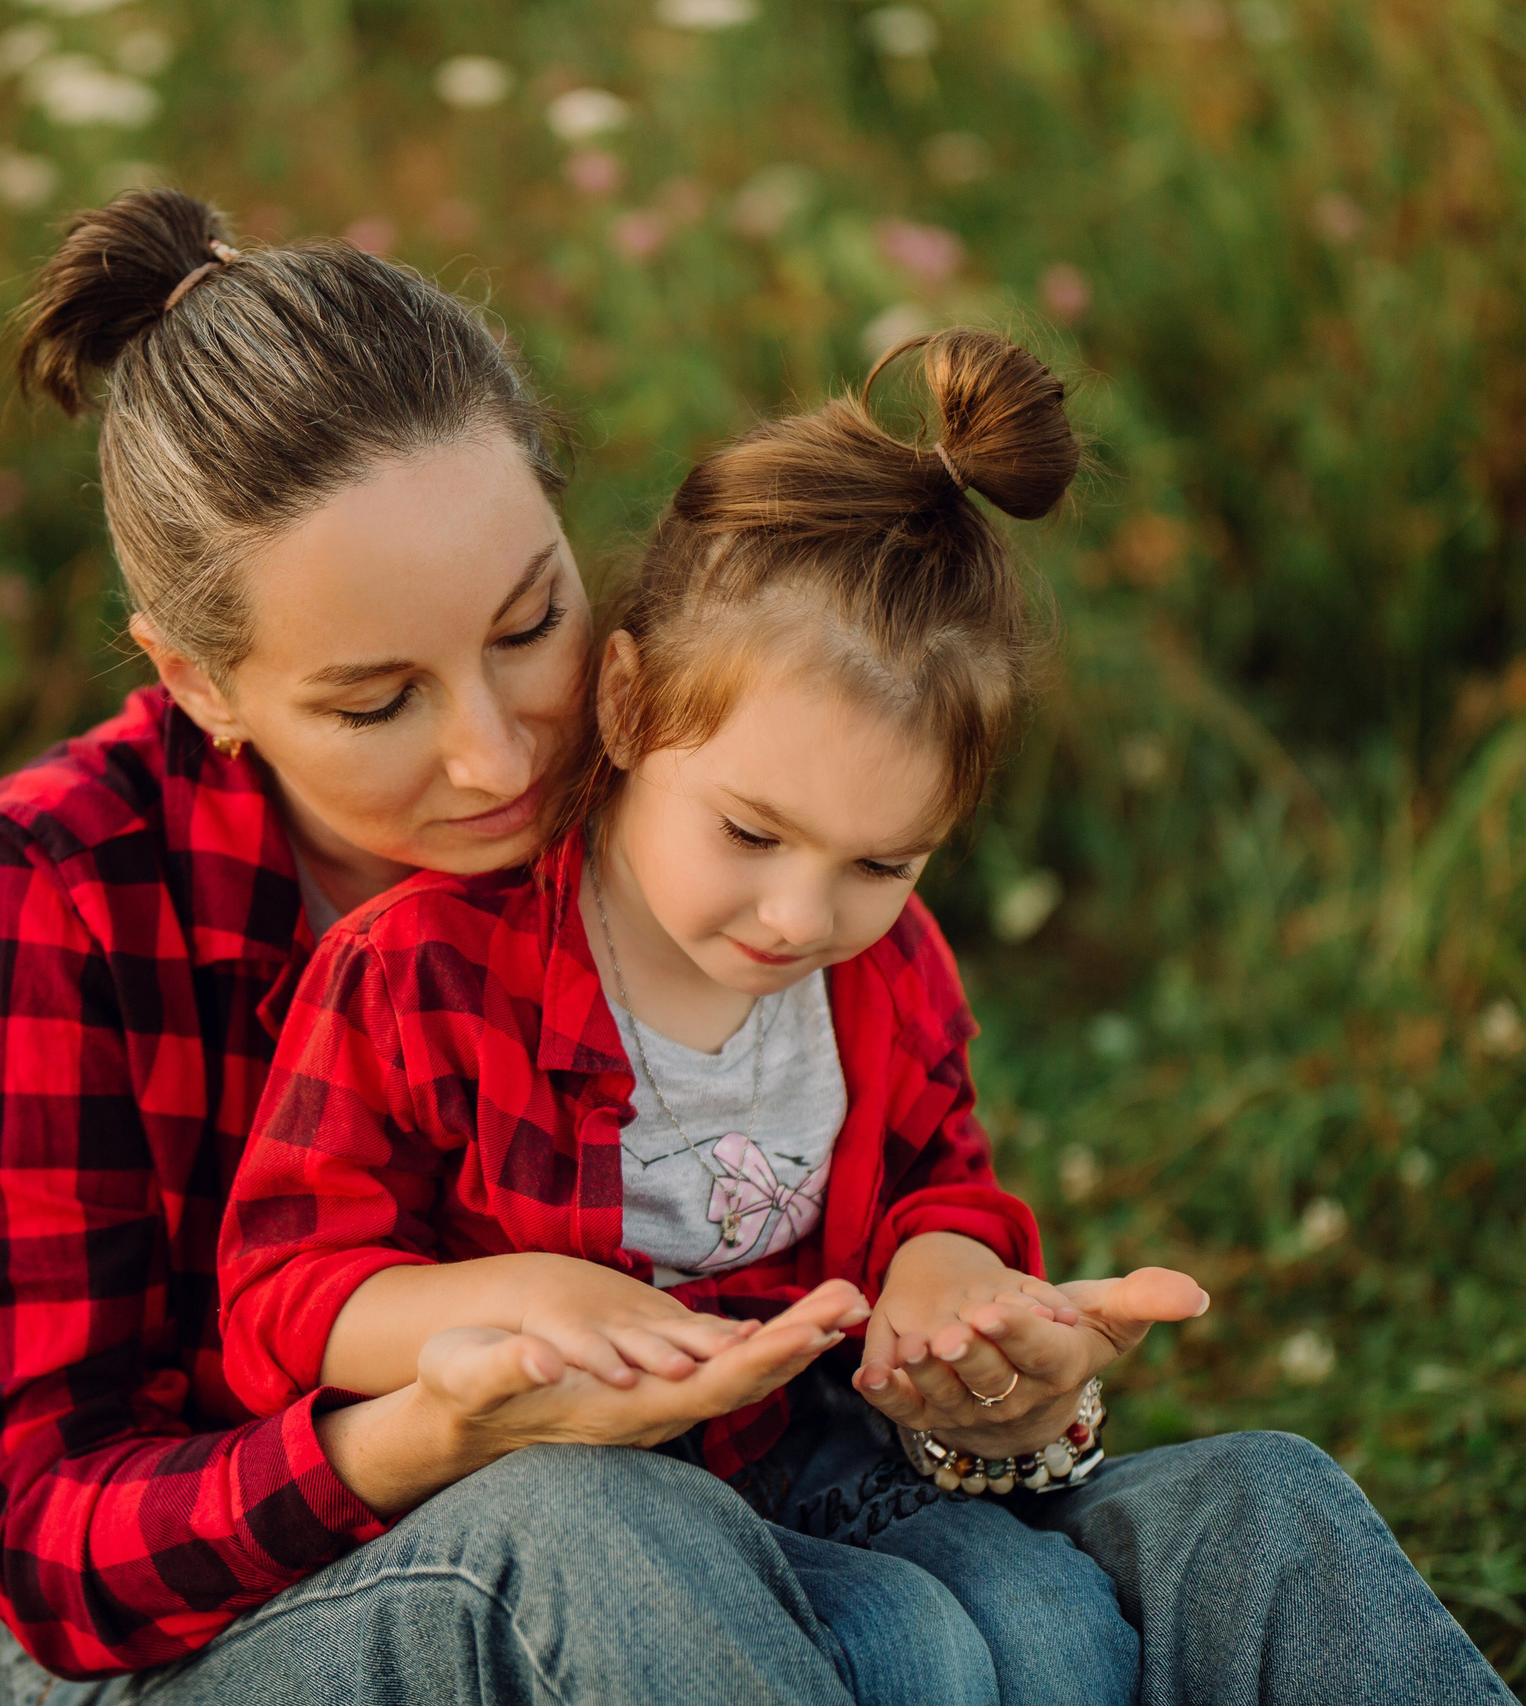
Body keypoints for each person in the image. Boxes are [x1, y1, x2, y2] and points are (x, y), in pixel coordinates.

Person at [0, 185, 1522, 1705]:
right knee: (600, 1525)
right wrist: (435, 1426)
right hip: (247, 1618)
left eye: (529, 622)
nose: (497, 755)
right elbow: (49, 1544)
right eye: (375, 701)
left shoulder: (708, 795)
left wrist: (990, 1388)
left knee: (1254, 1510)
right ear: (198, 680)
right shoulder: (59, 879)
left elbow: (883, 1197)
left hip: (753, 1502)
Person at [219, 324, 1231, 1706]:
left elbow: (938, 1174)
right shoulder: (419, 975)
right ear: (629, 705)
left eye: (882, 862)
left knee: (1055, 1625)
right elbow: (282, 1296)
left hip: (805, 1456)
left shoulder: (889, 970)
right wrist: (529, 1302)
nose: (803, 915)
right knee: (923, 1649)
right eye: (753, 832)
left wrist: (946, 1273)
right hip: (556, 1506)